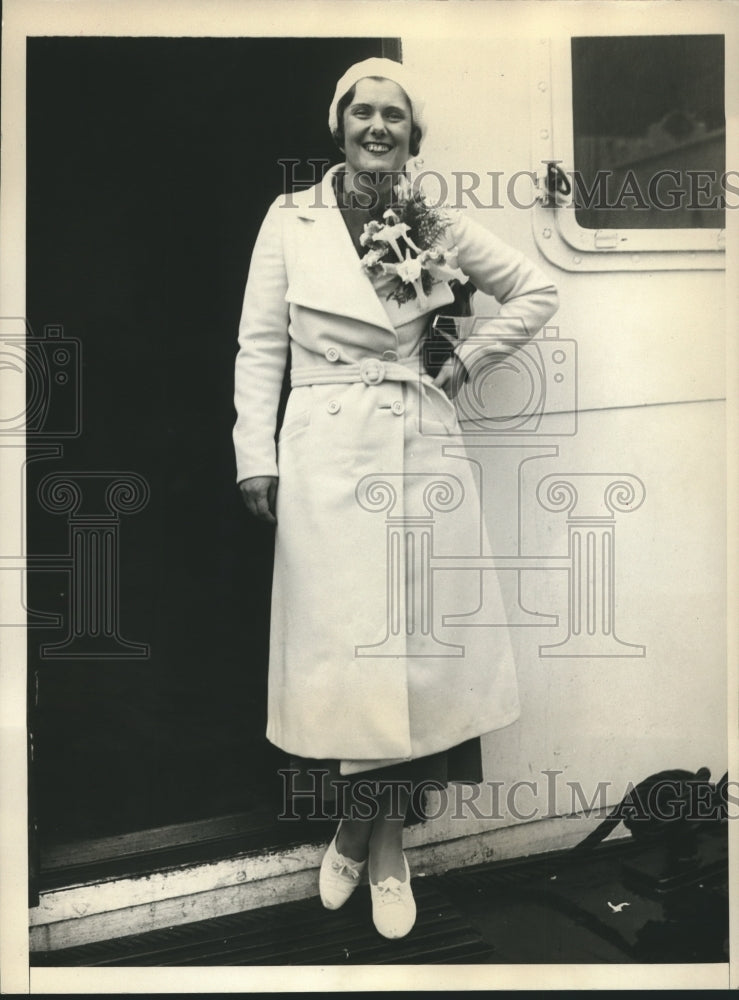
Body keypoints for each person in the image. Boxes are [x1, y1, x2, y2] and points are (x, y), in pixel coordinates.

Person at [233, 57, 559, 939]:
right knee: (351, 653)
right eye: (363, 113)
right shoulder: (291, 216)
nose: (378, 128)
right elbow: (260, 346)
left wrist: (463, 360)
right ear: (337, 125)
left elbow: (536, 289)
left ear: (414, 137)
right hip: (326, 446)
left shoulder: (435, 218)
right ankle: (374, 837)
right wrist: (253, 455)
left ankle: (373, 842)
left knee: (415, 655)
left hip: (417, 445)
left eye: (395, 117)